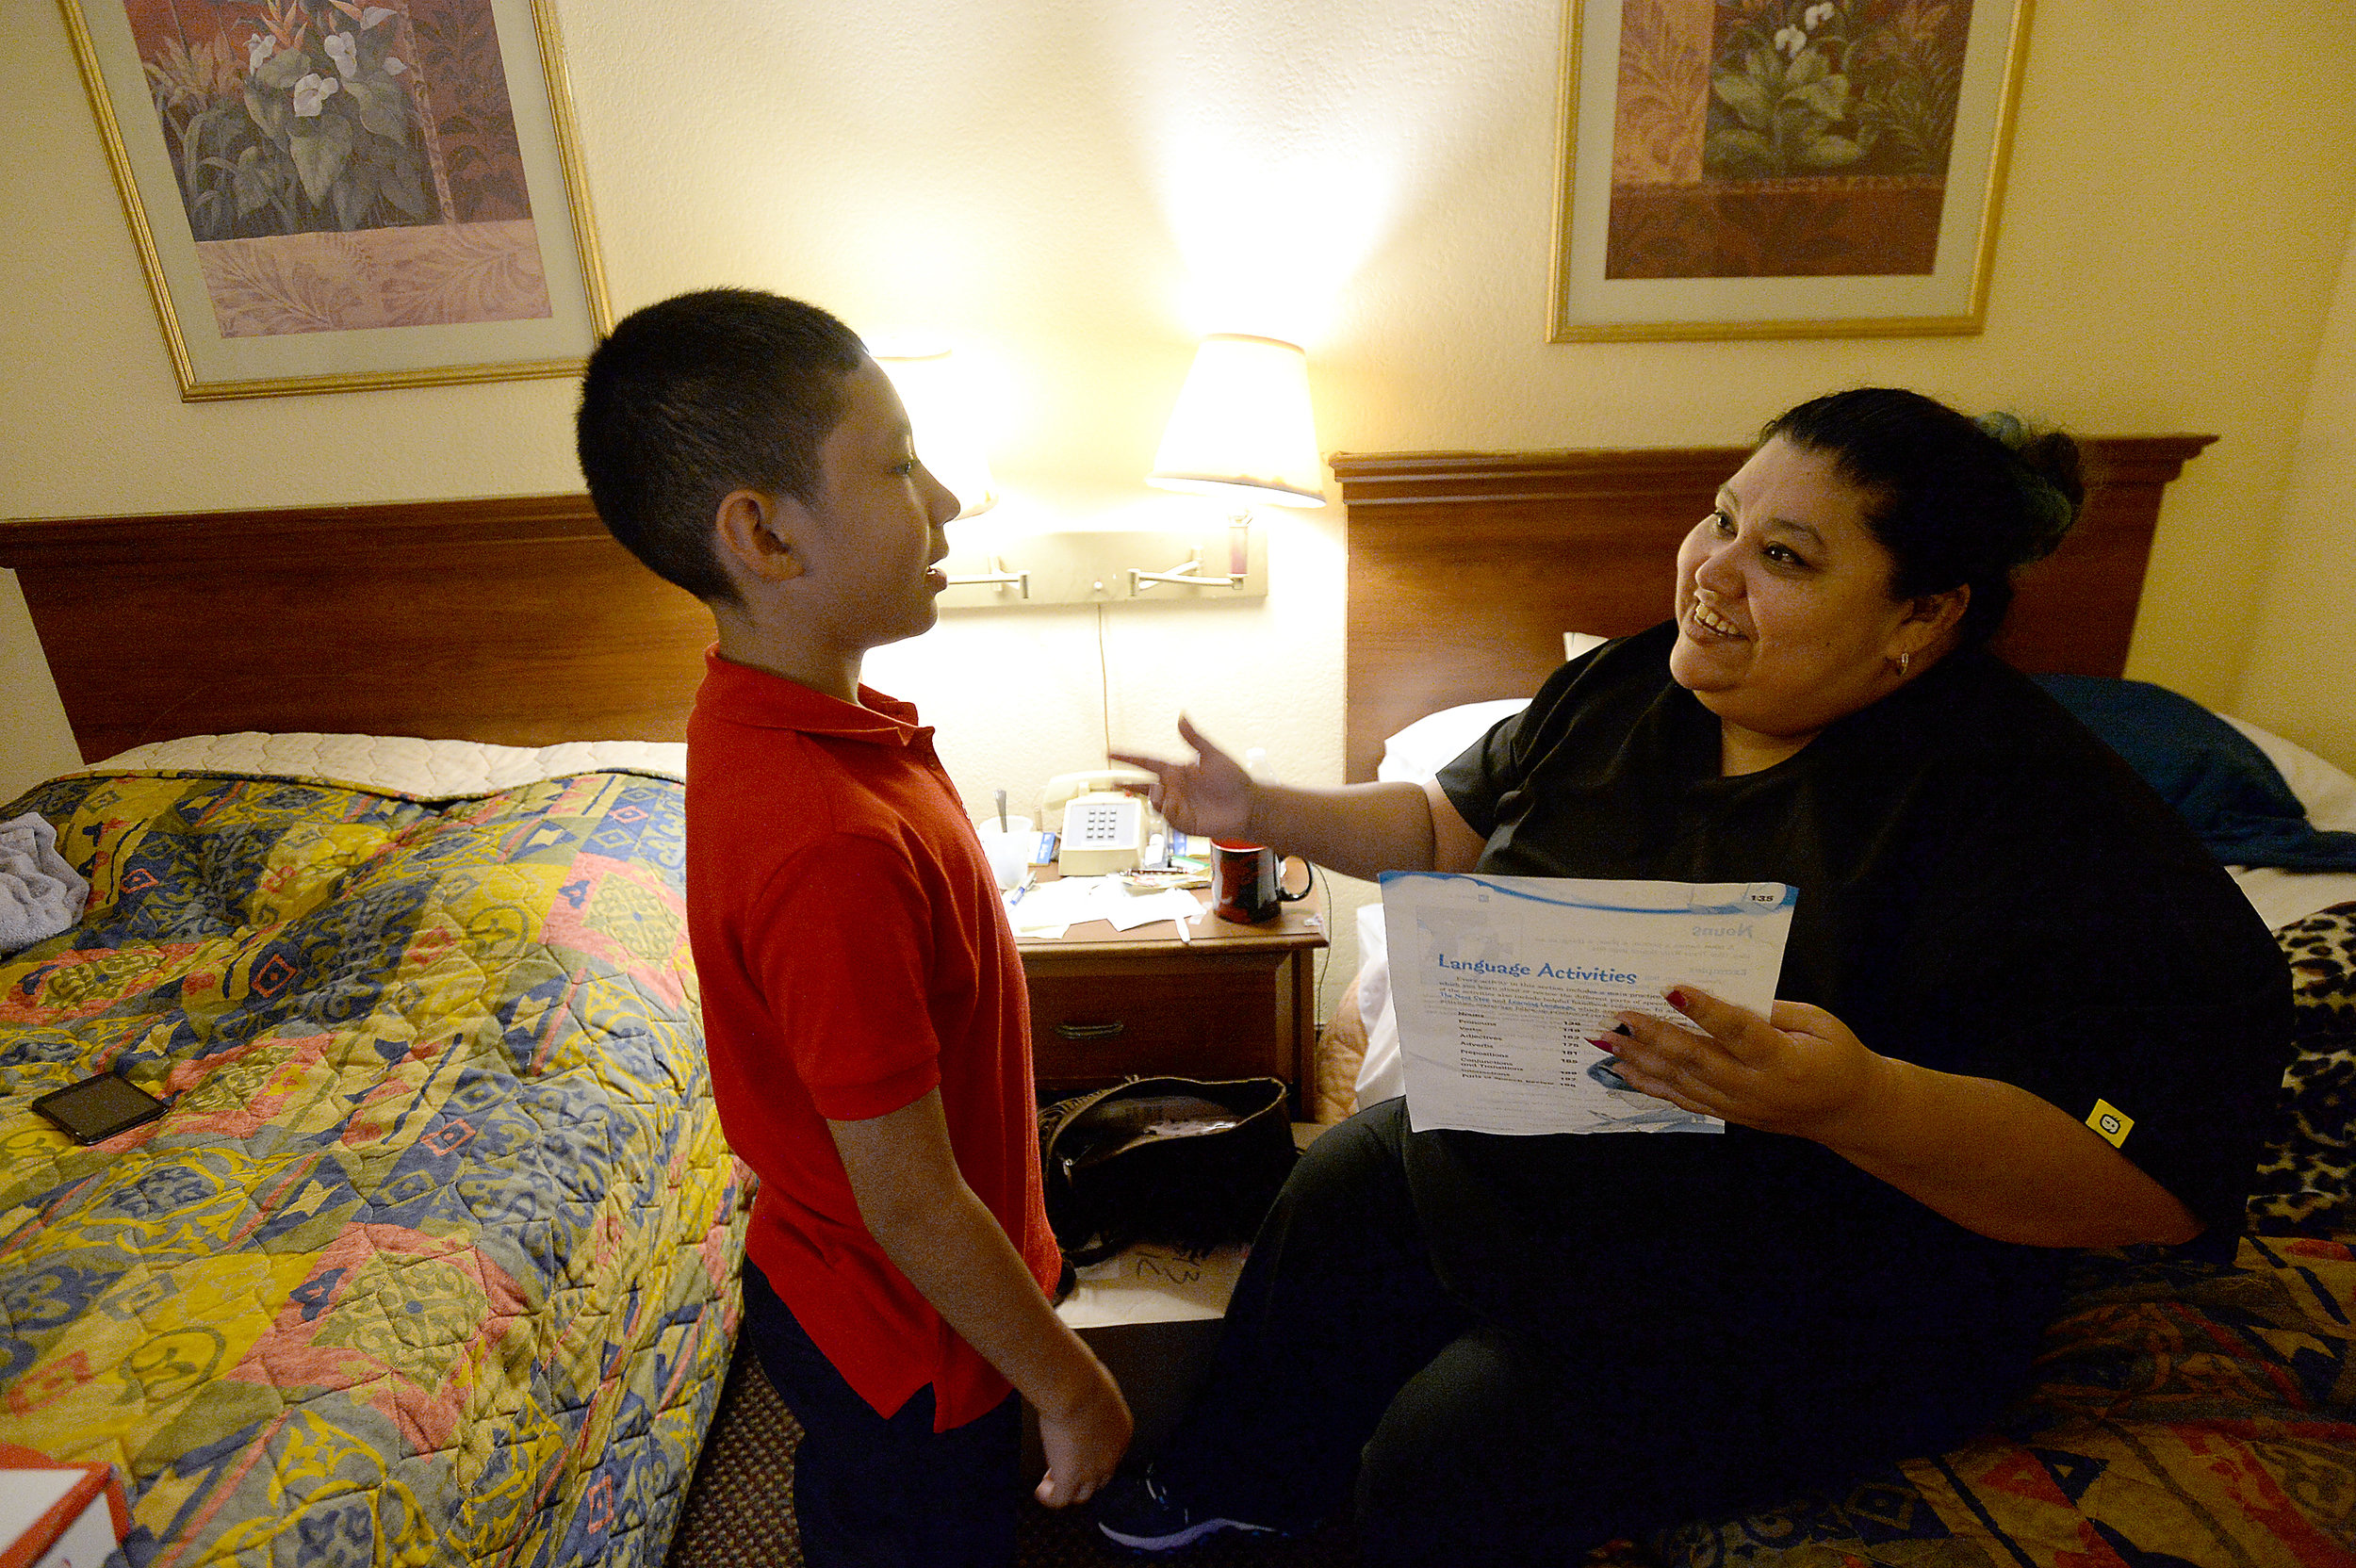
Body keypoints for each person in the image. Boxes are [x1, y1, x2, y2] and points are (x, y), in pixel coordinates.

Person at [1096, 388, 2293, 1563]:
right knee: (1350, 1172)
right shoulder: (1627, 690)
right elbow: (1438, 829)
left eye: (1782, 554)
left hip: (1807, 1299)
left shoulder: (2034, 815)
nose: (1711, 573)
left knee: (1441, 1452)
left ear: (1918, 618)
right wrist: (1264, 810)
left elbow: (2151, 1182)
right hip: (1557, 1195)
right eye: (1720, 517)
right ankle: (1247, 1485)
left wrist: (1849, 1100)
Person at [575, 287, 1131, 1566]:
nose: (946, 501)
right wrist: (1071, 1386)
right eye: (896, 465)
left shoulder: (786, 722)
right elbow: (917, 1202)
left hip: (861, 1297)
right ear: (764, 534)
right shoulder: (825, 839)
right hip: (918, 1344)